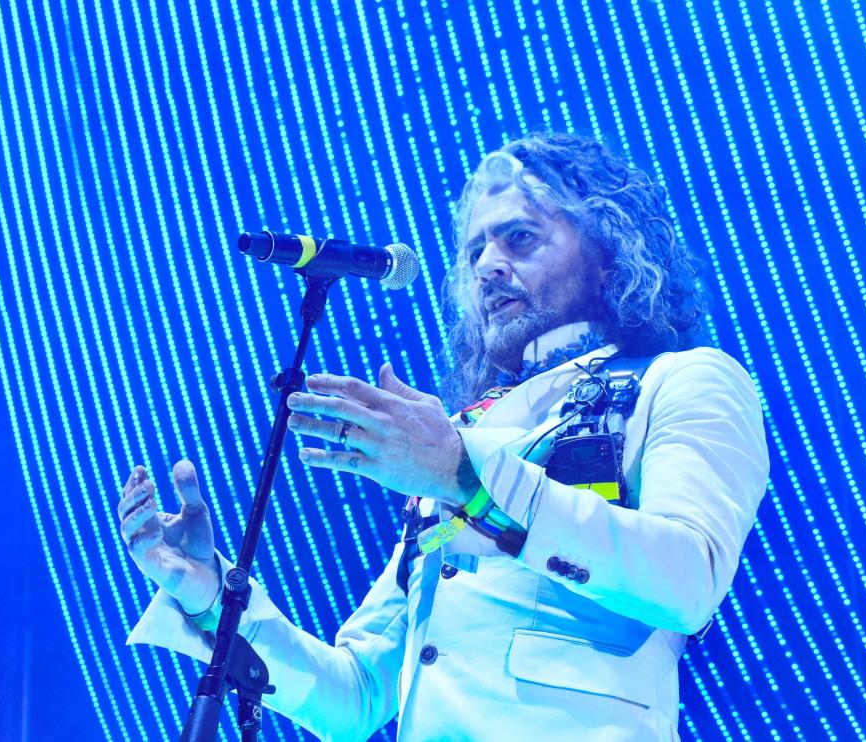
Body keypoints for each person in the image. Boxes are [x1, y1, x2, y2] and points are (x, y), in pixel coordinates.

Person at [120, 132, 769, 741]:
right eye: (474, 251)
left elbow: (689, 581)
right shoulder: (466, 434)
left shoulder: (684, 379)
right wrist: (209, 595)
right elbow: (356, 695)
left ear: (607, 254)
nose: (488, 266)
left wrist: (463, 474)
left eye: (519, 238)